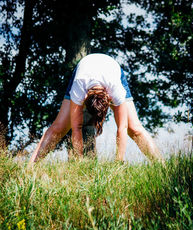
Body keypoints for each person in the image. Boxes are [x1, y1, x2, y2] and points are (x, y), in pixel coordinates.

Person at [29, 53, 163, 164]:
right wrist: (79, 162)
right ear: (84, 98)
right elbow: (76, 128)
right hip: (83, 69)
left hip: (112, 68)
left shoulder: (115, 90)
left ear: (110, 99)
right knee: (59, 127)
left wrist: (119, 162)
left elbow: (122, 127)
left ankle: (162, 167)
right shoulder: (79, 87)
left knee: (134, 128)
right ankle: (29, 168)